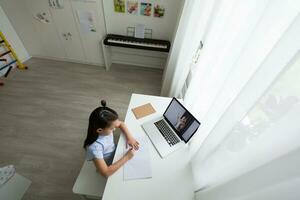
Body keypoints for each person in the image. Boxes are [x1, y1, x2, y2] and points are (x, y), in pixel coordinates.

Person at [83, 100, 139, 178]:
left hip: (116, 153)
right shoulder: (95, 147)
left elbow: (120, 123)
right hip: (110, 164)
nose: (114, 129)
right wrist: (127, 157)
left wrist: (130, 137)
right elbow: (105, 172)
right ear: (100, 130)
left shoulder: (106, 127)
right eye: (112, 128)